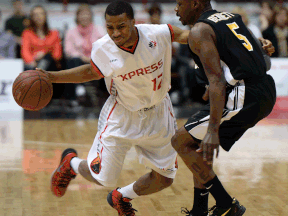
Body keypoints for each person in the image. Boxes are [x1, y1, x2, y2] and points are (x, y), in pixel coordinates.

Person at [38, 1, 190, 215]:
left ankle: (122, 196)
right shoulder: (103, 47)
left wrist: (223, 41)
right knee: (102, 178)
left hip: (159, 112)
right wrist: (52, 77)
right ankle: (70, 163)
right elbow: (89, 72)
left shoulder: (157, 34)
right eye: (110, 27)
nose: (115, 32)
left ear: (133, 22)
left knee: (166, 178)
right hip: (123, 114)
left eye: (121, 26)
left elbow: (190, 37)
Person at [172, 0, 276, 216]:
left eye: (180, 3)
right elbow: (246, 48)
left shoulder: (199, 30)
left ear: (195, 3)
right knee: (197, 146)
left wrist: (212, 130)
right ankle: (199, 210)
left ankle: (227, 204)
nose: (176, 9)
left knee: (180, 141)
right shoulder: (230, 17)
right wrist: (262, 43)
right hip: (264, 89)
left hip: (245, 94)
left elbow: (217, 81)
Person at [64, 4, 106, 103]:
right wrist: (82, 57)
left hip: (96, 60)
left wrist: (92, 57)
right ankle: (78, 90)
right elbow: (68, 50)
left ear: (91, 16)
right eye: (81, 14)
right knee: (72, 61)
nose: (84, 17)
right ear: (77, 17)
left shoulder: (99, 29)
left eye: (87, 14)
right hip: (78, 61)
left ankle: (104, 95)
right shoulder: (71, 31)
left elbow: (104, 48)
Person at [21, 5, 63, 99]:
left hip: (51, 65)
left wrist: (44, 53)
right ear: (31, 17)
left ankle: (38, 77)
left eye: (40, 14)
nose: (38, 16)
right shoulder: (27, 33)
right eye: (35, 14)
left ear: (45, 16)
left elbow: (57, 54)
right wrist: (33, 60)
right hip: (33, 64)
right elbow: (25, 52)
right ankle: (38, 76)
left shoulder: (54, 33)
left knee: (48, 57)